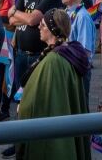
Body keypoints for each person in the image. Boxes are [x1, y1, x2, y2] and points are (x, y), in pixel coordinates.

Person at [16, 9, 90, 160]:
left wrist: (22, 105)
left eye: (42, 25)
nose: (38, 27)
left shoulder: (54, 61)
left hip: (52, 134)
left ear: (53, 30)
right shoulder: (67, 52)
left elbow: (41, 102)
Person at [7, 0, 63, 104]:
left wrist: (15, 11)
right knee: (21, 96)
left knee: (37, 96)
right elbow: (11, 21)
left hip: (39, 54)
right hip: (20, 53)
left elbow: (33, 20)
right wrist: (20, 16)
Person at [62, 0, 96, 97]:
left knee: (79, 107)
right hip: (67, 67)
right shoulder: (66, 12)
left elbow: (84, 51)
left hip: (77, 69)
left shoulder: (82, 17)